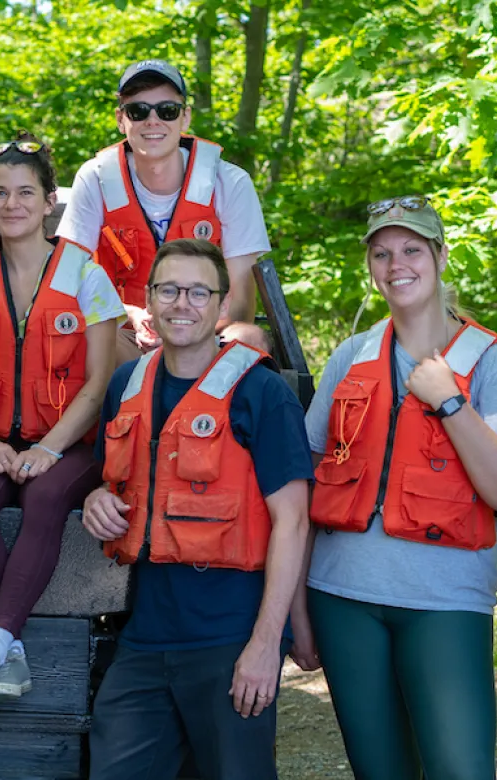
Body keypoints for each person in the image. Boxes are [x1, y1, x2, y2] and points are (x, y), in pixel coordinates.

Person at [301, 197, 497, 780]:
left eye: (411, 249)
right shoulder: (352, 356)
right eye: (381, 254)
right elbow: (304, 489)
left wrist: (450, 400)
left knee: (461, 769)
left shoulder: (489, 362)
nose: (396, 264)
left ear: (441, 256)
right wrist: (295, 612)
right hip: (342, 597)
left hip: (444, 599)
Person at [79, 239, 312, 780]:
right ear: (149, 299)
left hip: (230, 637)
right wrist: (95, 501)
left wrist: (265, 645)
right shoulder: (127, 384)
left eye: (198, 292)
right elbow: (112, 483)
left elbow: (294, 522)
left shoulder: (261, 392)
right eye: (169, 290)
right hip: (144, 636)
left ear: (222, 305)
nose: (181, 303)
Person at [0, 133, 125, 703]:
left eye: (25, 192)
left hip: (68, 443)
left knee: (45, 497)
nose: (12, 203)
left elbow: (98, 382)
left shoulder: (87, 275)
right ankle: (9, 652)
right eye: (0, 193)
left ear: (49, 202)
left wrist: (48, 448)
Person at [56, 60, 271, 364]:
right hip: (128, 334)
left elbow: (241, 303)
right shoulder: (96, 178)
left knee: (248, 338)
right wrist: (129, 315)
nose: (152, 121)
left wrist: (184, 330)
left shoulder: (229, 182)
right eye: (138, 111)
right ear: (121, 119)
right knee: (87, 338)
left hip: (205, 335)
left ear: (185, 117)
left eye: (167, 111)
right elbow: (68, 278)